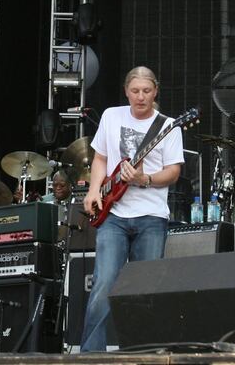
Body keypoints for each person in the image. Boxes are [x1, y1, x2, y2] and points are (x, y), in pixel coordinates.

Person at [80, 66, 184, 351]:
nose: (140, 97)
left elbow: (173, 171)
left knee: (145, 289)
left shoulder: (168, 125)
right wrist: (93, 190)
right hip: (114, 215)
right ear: (126, 91)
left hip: (151, 216)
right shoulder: (111, 116)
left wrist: (144, 179)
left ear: (156, 91)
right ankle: (91, 355)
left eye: (146, 91)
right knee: (103, 285)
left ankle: (144, 353)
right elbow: (100, 157)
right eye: (135, 91)